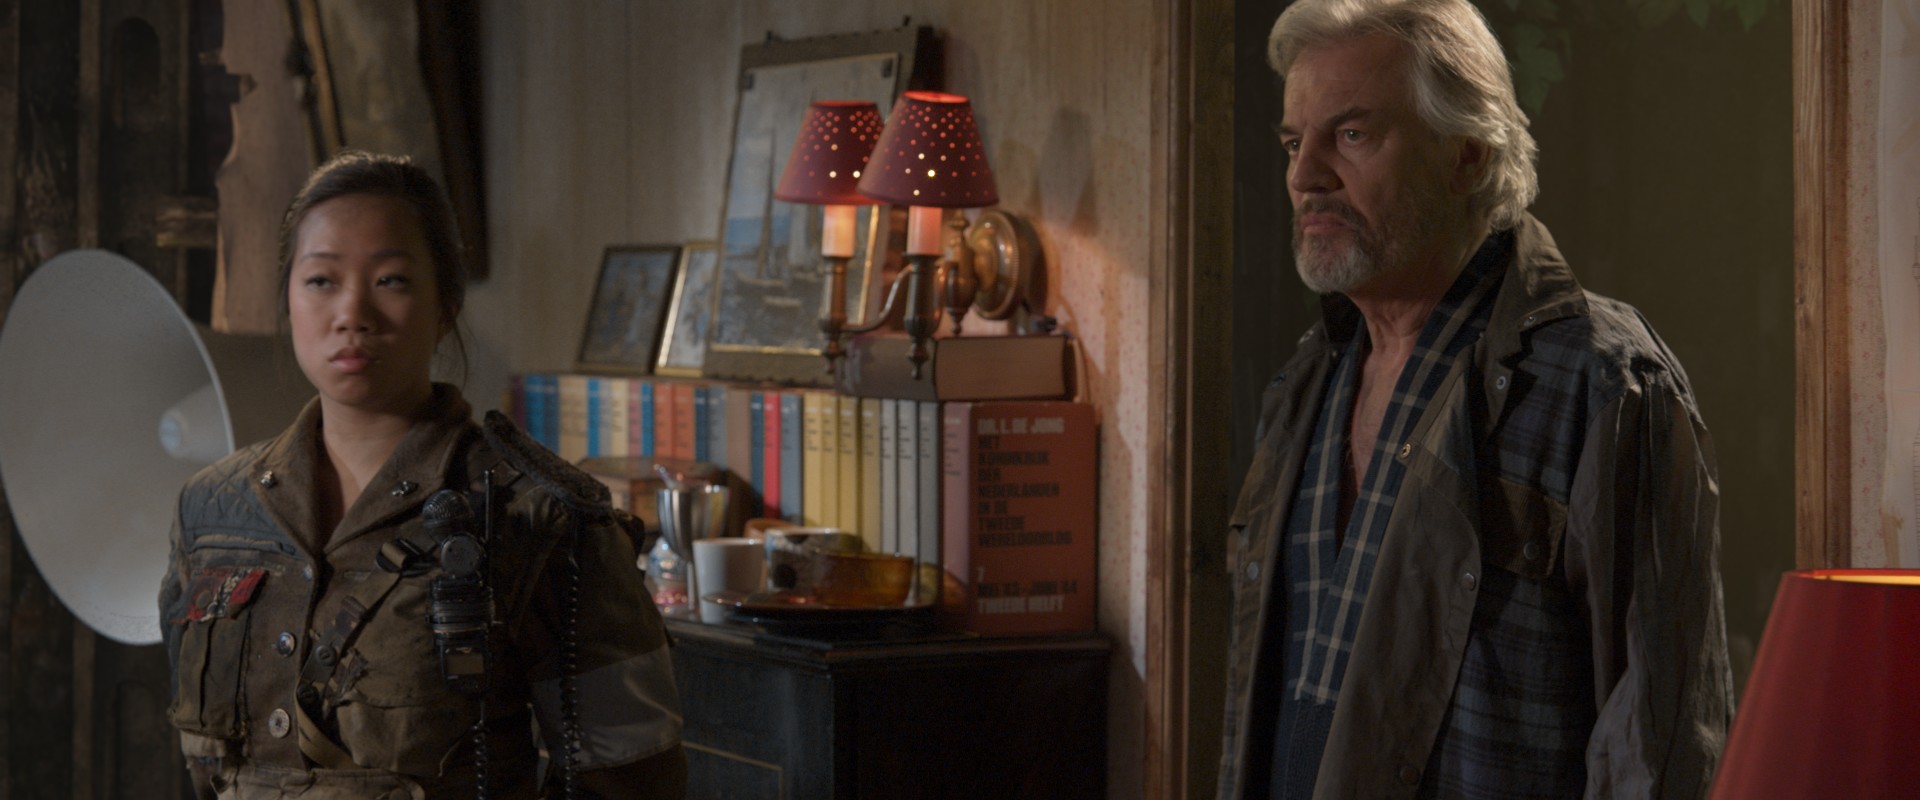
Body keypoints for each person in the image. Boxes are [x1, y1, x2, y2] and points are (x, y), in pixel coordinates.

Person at [1218, 1, 1733, 798]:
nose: (1304, 175)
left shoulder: (1602, 382)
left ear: (1467, 154)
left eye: (1350, 134)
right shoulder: (1303, 387)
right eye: (1294, 142)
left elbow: (1658, 753)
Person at [159, 151, 688, 798]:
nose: (352, 312)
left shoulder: (536, 517)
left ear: (446, 306)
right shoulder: (212, 512)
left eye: (391, 280)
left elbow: (630, 778)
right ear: (287, 302)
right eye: (321, 280)